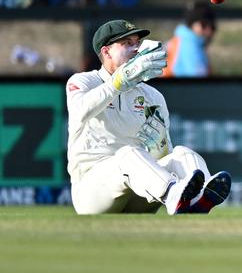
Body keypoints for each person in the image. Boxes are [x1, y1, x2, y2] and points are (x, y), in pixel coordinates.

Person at [66, 19, 232, 214]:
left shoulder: (152, 96)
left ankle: (199, 200)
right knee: (128, 154)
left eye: (137, 43)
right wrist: (118, 81)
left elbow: (161, 158)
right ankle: (174, 196)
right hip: (92, 191)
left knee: (182, 154)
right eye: (127, 43)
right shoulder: (83, 81)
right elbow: (80, 110)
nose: (136, 49)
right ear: (106, 51)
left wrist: (159, 145)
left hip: (139, 190)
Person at [162, 1, 216, 77]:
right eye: (203, 25)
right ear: (192, 24)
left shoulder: (183, 39)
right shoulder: (189, 44)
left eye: (212, 26)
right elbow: (200, 82)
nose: (208, 29)